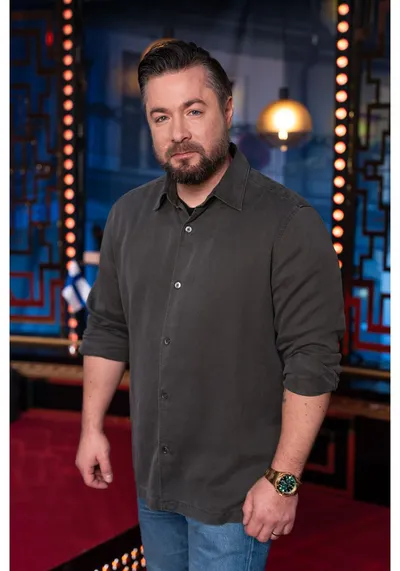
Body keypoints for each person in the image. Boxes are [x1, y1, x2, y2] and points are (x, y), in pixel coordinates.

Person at [76, 40, 345, 571]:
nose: (177, 132)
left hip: (237, 498)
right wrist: (91, 428)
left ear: (227, 109)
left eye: (193, 111)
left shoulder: (289, 224)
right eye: (161, 117)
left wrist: (283, 480)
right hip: (155, 482)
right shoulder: (128, 216)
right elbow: (108, 328)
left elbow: (312, 361)